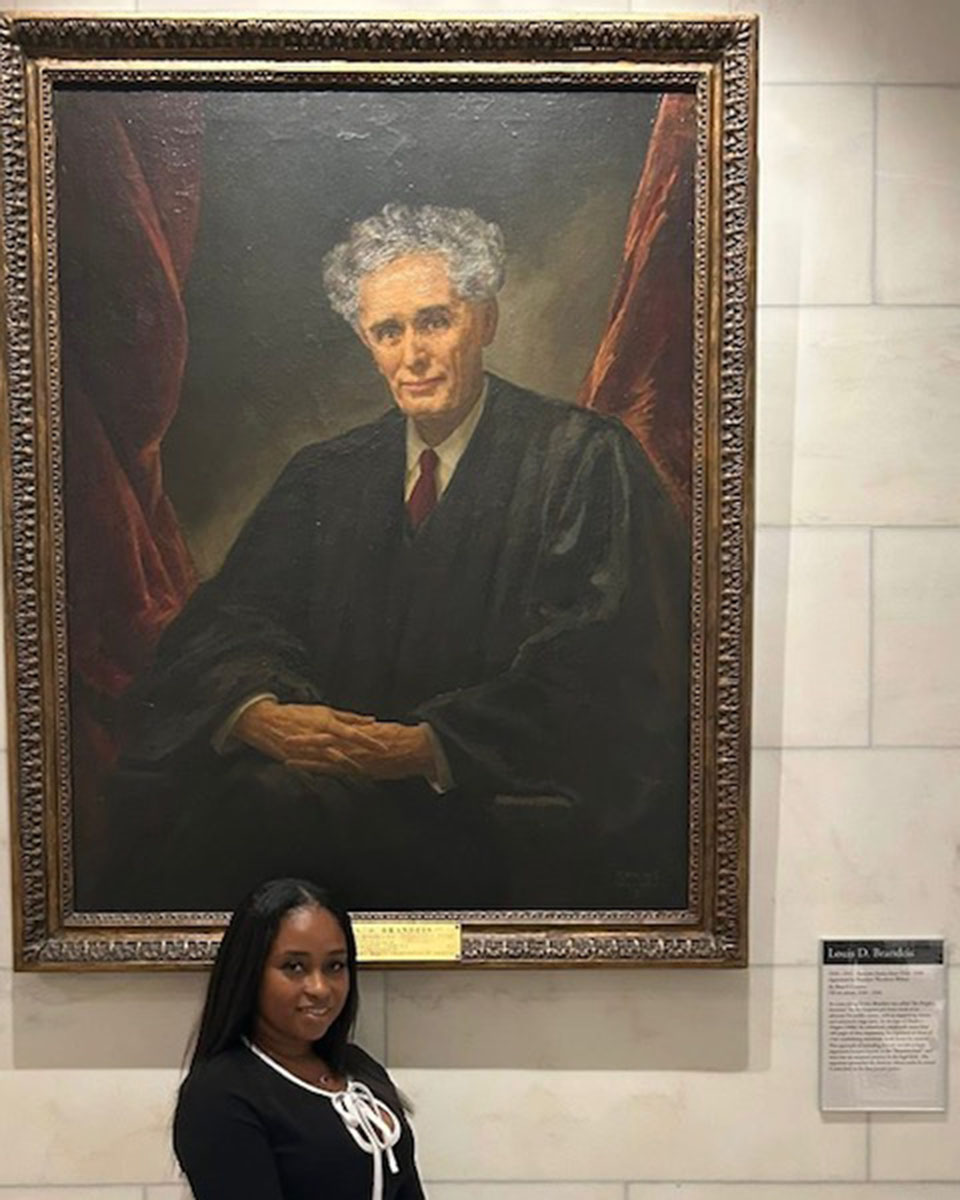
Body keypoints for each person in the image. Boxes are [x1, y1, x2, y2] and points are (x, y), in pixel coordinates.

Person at [94, 203, 689, 914]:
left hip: (492, 813)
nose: (414, 355)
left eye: (435, 320)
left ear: (486, 321)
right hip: (322, 795)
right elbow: (228, 623)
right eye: (388, 331)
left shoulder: (585, 460)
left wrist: (428, 746)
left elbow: (606, 664)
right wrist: (257, 713)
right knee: (211, 813)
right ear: (367, 343)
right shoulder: (325, 476)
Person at [174, 876, 425, 1200]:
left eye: (335, 965)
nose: (320, 988)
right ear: (250, 972)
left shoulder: (360, 1069)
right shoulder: (220, 1093)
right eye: (294, 967)